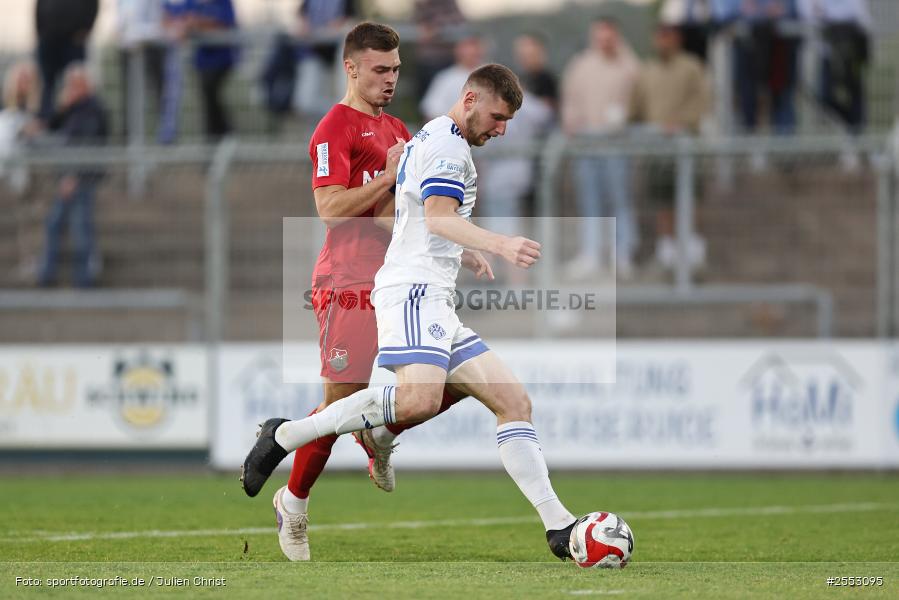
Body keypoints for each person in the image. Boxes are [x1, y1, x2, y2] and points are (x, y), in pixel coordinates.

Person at [242, 64, 583, 562]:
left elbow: (412, 213)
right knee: (413, 401)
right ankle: (288, 436)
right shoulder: (446, 147)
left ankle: (558, 526)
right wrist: (499, 242)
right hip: (407, 291)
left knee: (513, 402)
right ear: (469, 99)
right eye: (497, 116)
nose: (502, 128)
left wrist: (462, 251)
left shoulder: (425, 134)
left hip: (432, 294)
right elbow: (438, 217)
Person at [263, 22, 464, 562]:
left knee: (455, 378)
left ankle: (378, 434)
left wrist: (450, 237)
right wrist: (387, 177)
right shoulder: (335, 128)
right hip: (347, 281)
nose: (391, 78)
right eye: (380, 69)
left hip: (398, 280)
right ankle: (294, 503)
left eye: (396, 69)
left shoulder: (398, 127)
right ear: (351, 68)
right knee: (339, 402)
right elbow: (330, 209)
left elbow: (387, 217)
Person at [560, 17, 640, 279]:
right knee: (590, 200)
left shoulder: (629, 64)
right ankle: (591, 253)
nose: (605, 42)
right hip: (586, 143)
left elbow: (638, 97)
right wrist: (571, 121)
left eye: (609, 37)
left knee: (620, 198)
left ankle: (623, 253)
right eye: (600, 37)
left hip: (616, 142)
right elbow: (570, 99)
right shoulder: (581, 65)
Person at [631, 23, 710, 272]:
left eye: (667, 37)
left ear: (677, 39)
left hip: (686, 145)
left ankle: (693, 251)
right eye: (659, 36)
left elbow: (702, 101)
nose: (663, 41)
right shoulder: (647, 70)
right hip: (656, 147)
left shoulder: (692, 67)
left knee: (691, 197)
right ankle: (667, 251)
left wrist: (682, 122)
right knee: (661, 199)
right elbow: (637, 106)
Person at [38, 64, 109, 288]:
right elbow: (51, 126)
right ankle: (48, 274)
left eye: (77, 85)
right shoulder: (72, 109)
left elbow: (85, 146)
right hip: (68, 177)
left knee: (80, 229)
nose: (72, 89)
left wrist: (72, 177)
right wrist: (63, 107)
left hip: (81, 179)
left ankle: (83, 279)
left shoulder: (92, 110)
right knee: (56, 225)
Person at [168, 0, 239, 141]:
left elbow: (225, 25)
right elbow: (175, 15)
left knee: (211, 93)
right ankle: (217, 138)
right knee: (207, 100)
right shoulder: (192, 3)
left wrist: (198, 23)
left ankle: (225, 134)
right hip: (202, 62)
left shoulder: (223, 3)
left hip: (221, 60)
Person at [35, 0, 99, 122]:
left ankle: (77, 121)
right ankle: (46, 121)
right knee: (47, 85)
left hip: (74, 41)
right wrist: (41, 33)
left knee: (76, 84)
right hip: (49, 39)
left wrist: (85, 30)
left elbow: (92, 6)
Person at [420, 33, 484, 121]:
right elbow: (432, 112)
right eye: (467, 48)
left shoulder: (493, 77)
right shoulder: (445, 78)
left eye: (475, 47)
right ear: (458, 51)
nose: (472, 52)